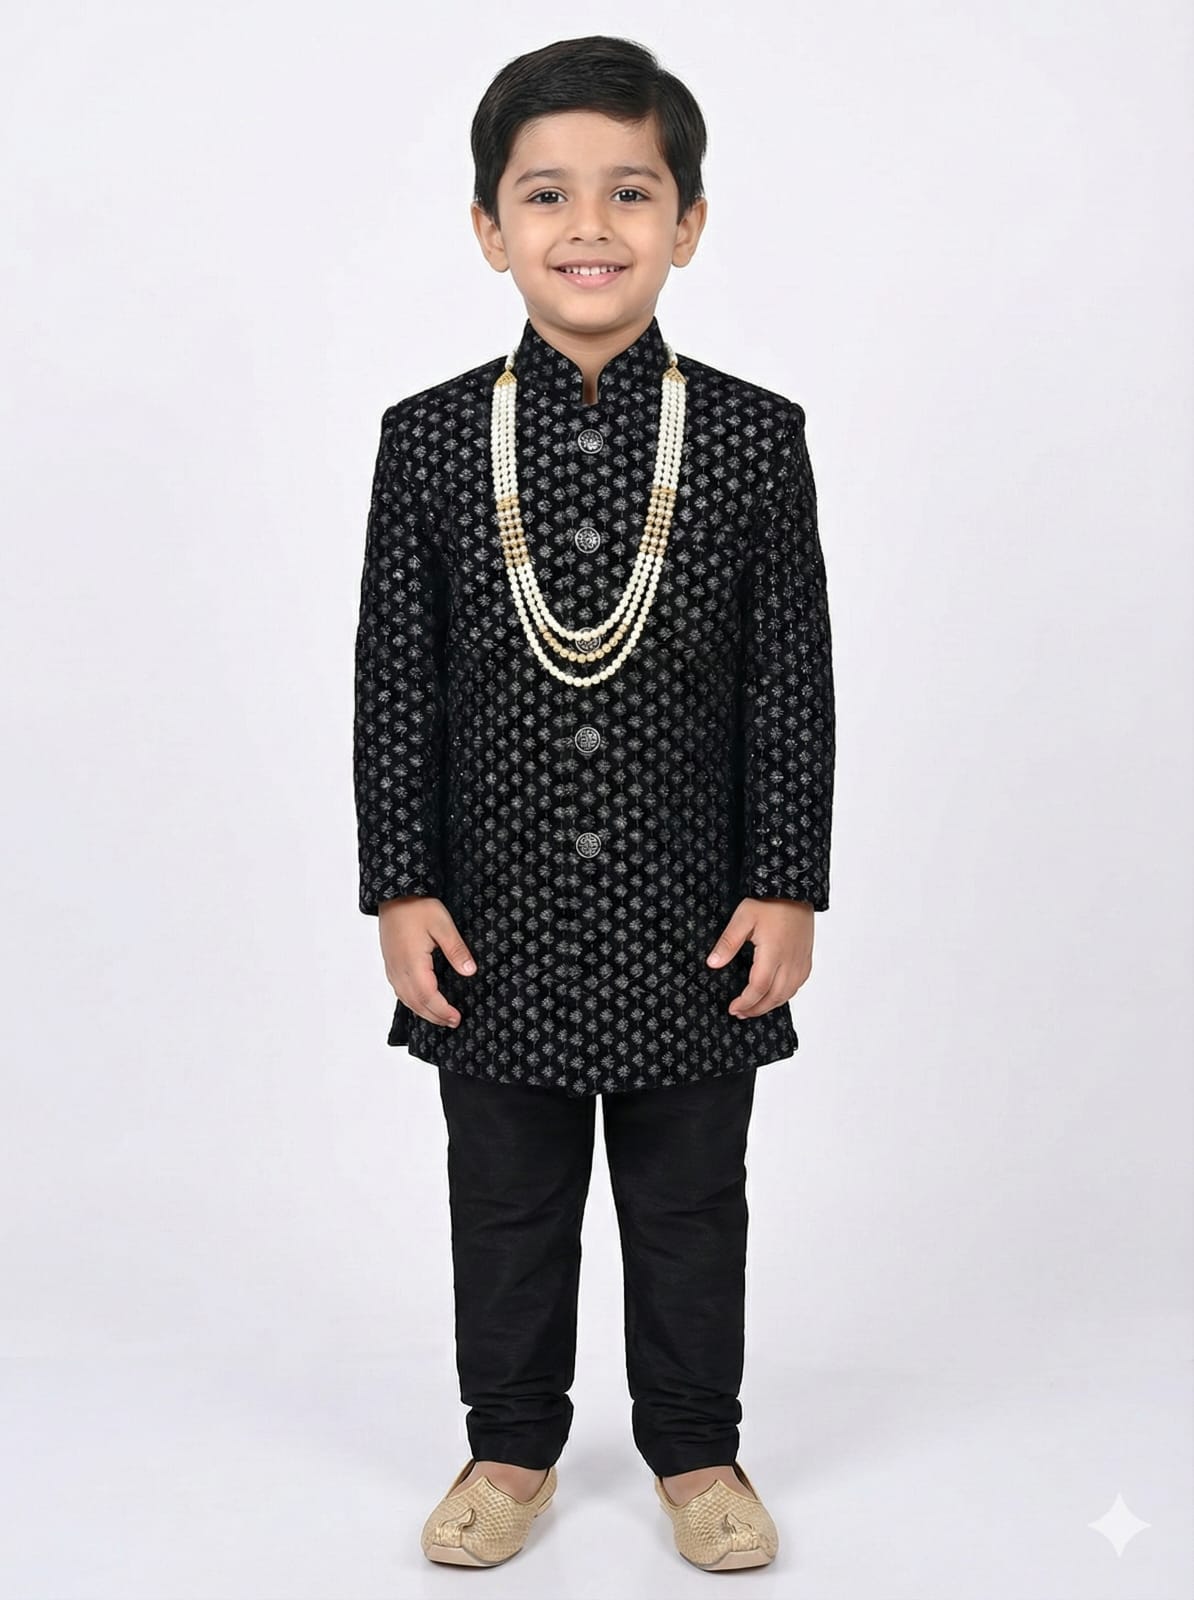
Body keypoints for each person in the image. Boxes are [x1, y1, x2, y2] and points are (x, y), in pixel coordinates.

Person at [353, 34, 835, 1573]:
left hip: (694, 914)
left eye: (630, 192)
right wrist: (399, 884)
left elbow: (792, 681)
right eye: (545, 193)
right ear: (488, 228)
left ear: (686, 221)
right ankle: (511, 1448)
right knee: (505, 1204)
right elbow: (390, 682)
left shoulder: (753, 437)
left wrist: (786, 881)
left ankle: (696, 1453)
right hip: (485, 916)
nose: (589, 226)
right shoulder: (427, 439)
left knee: (691, 1202)